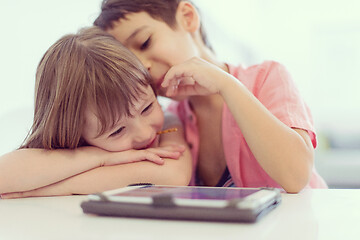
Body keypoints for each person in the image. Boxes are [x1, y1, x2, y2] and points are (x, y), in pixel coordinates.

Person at [93, 0, 328, 193]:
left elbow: (296, 176)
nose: (142, 67)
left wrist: (226, 85)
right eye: (130, 63)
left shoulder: (268, 77)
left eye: (145, 42)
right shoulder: (170, 122)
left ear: (187, 17)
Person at [0, 27, 192, 198]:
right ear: (74, 133)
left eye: (147, 107)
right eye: (116, 131)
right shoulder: (80, 148)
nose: (144, 134)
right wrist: (101, 158)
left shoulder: (169, 121)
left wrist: (53, 188)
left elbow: (173, 176)